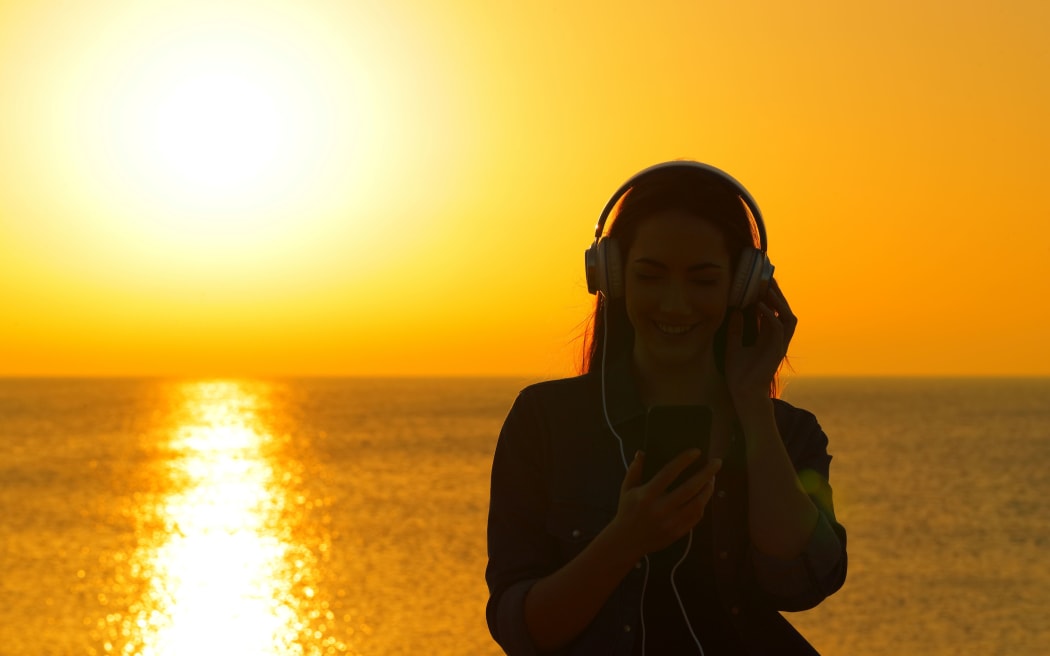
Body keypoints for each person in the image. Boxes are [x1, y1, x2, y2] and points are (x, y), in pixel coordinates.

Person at [485, 161, 847, 655]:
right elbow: (522, 631)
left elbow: (803, 584)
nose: (675, 305)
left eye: (702, 281)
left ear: (742, 286)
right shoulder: (545, 422)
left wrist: (751, 402)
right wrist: (624, 541)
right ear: (612, 277)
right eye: (651, 277)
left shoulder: (790, 432)